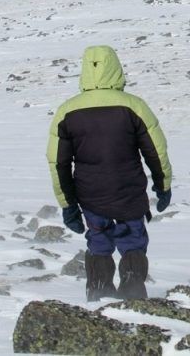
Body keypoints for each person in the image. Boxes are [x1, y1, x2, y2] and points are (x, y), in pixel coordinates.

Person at [46, 45, 172, 301]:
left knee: (99, 243)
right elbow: (156, 152)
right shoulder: (134, 106)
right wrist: (163, 185)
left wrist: (68, 204)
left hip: (90, 195)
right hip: (129, 193)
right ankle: (133, 293)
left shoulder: (67, 111)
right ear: (116, 69)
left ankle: (98, 294)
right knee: (133, 242)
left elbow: (58, 163)